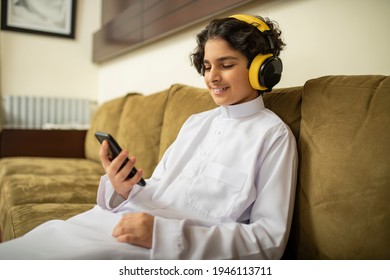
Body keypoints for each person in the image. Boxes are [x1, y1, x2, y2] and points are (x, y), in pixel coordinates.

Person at [0, 14, 297, 259]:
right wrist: (122, 188)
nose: (212, 78)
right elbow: (158, 187)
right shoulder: (195, 123)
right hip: (117, 222)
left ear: (262, 69)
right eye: (207, 67)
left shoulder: (273, 137)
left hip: (167, 252)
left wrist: (164, 236)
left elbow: (268, 239)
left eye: (226, 65)